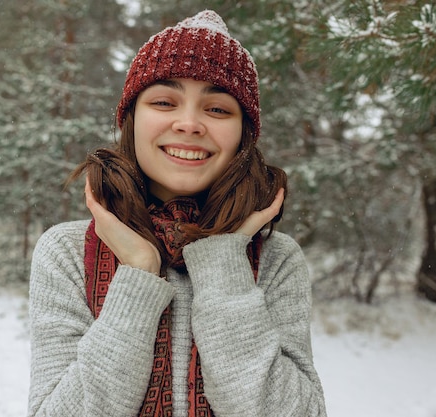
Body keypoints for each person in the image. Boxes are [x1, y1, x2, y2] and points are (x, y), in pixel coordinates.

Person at [27, 10, 326, 417]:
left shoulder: (276, 258)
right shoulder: (67, 252)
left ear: (243, 134)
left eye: (218, 109)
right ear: (132, 120)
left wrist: (223, 263)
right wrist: (137, 275)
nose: (189, 124)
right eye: (165, 102)